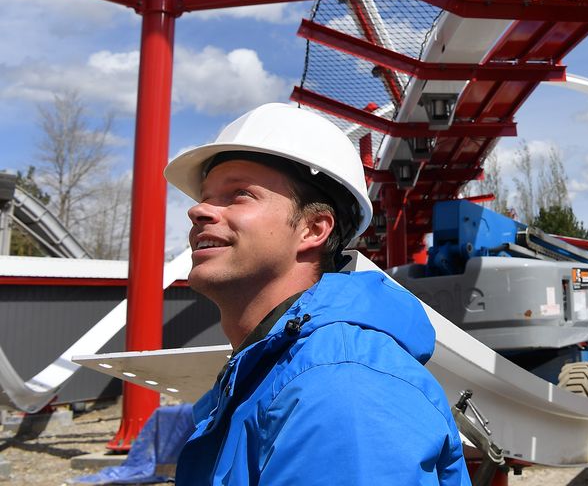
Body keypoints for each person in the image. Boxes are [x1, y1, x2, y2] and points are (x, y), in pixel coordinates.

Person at [164, 103, 467, 485]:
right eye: (205, 197)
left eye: (239, 194)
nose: (199, 211)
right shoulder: (276, 369)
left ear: (313, 229)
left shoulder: (342, 384)